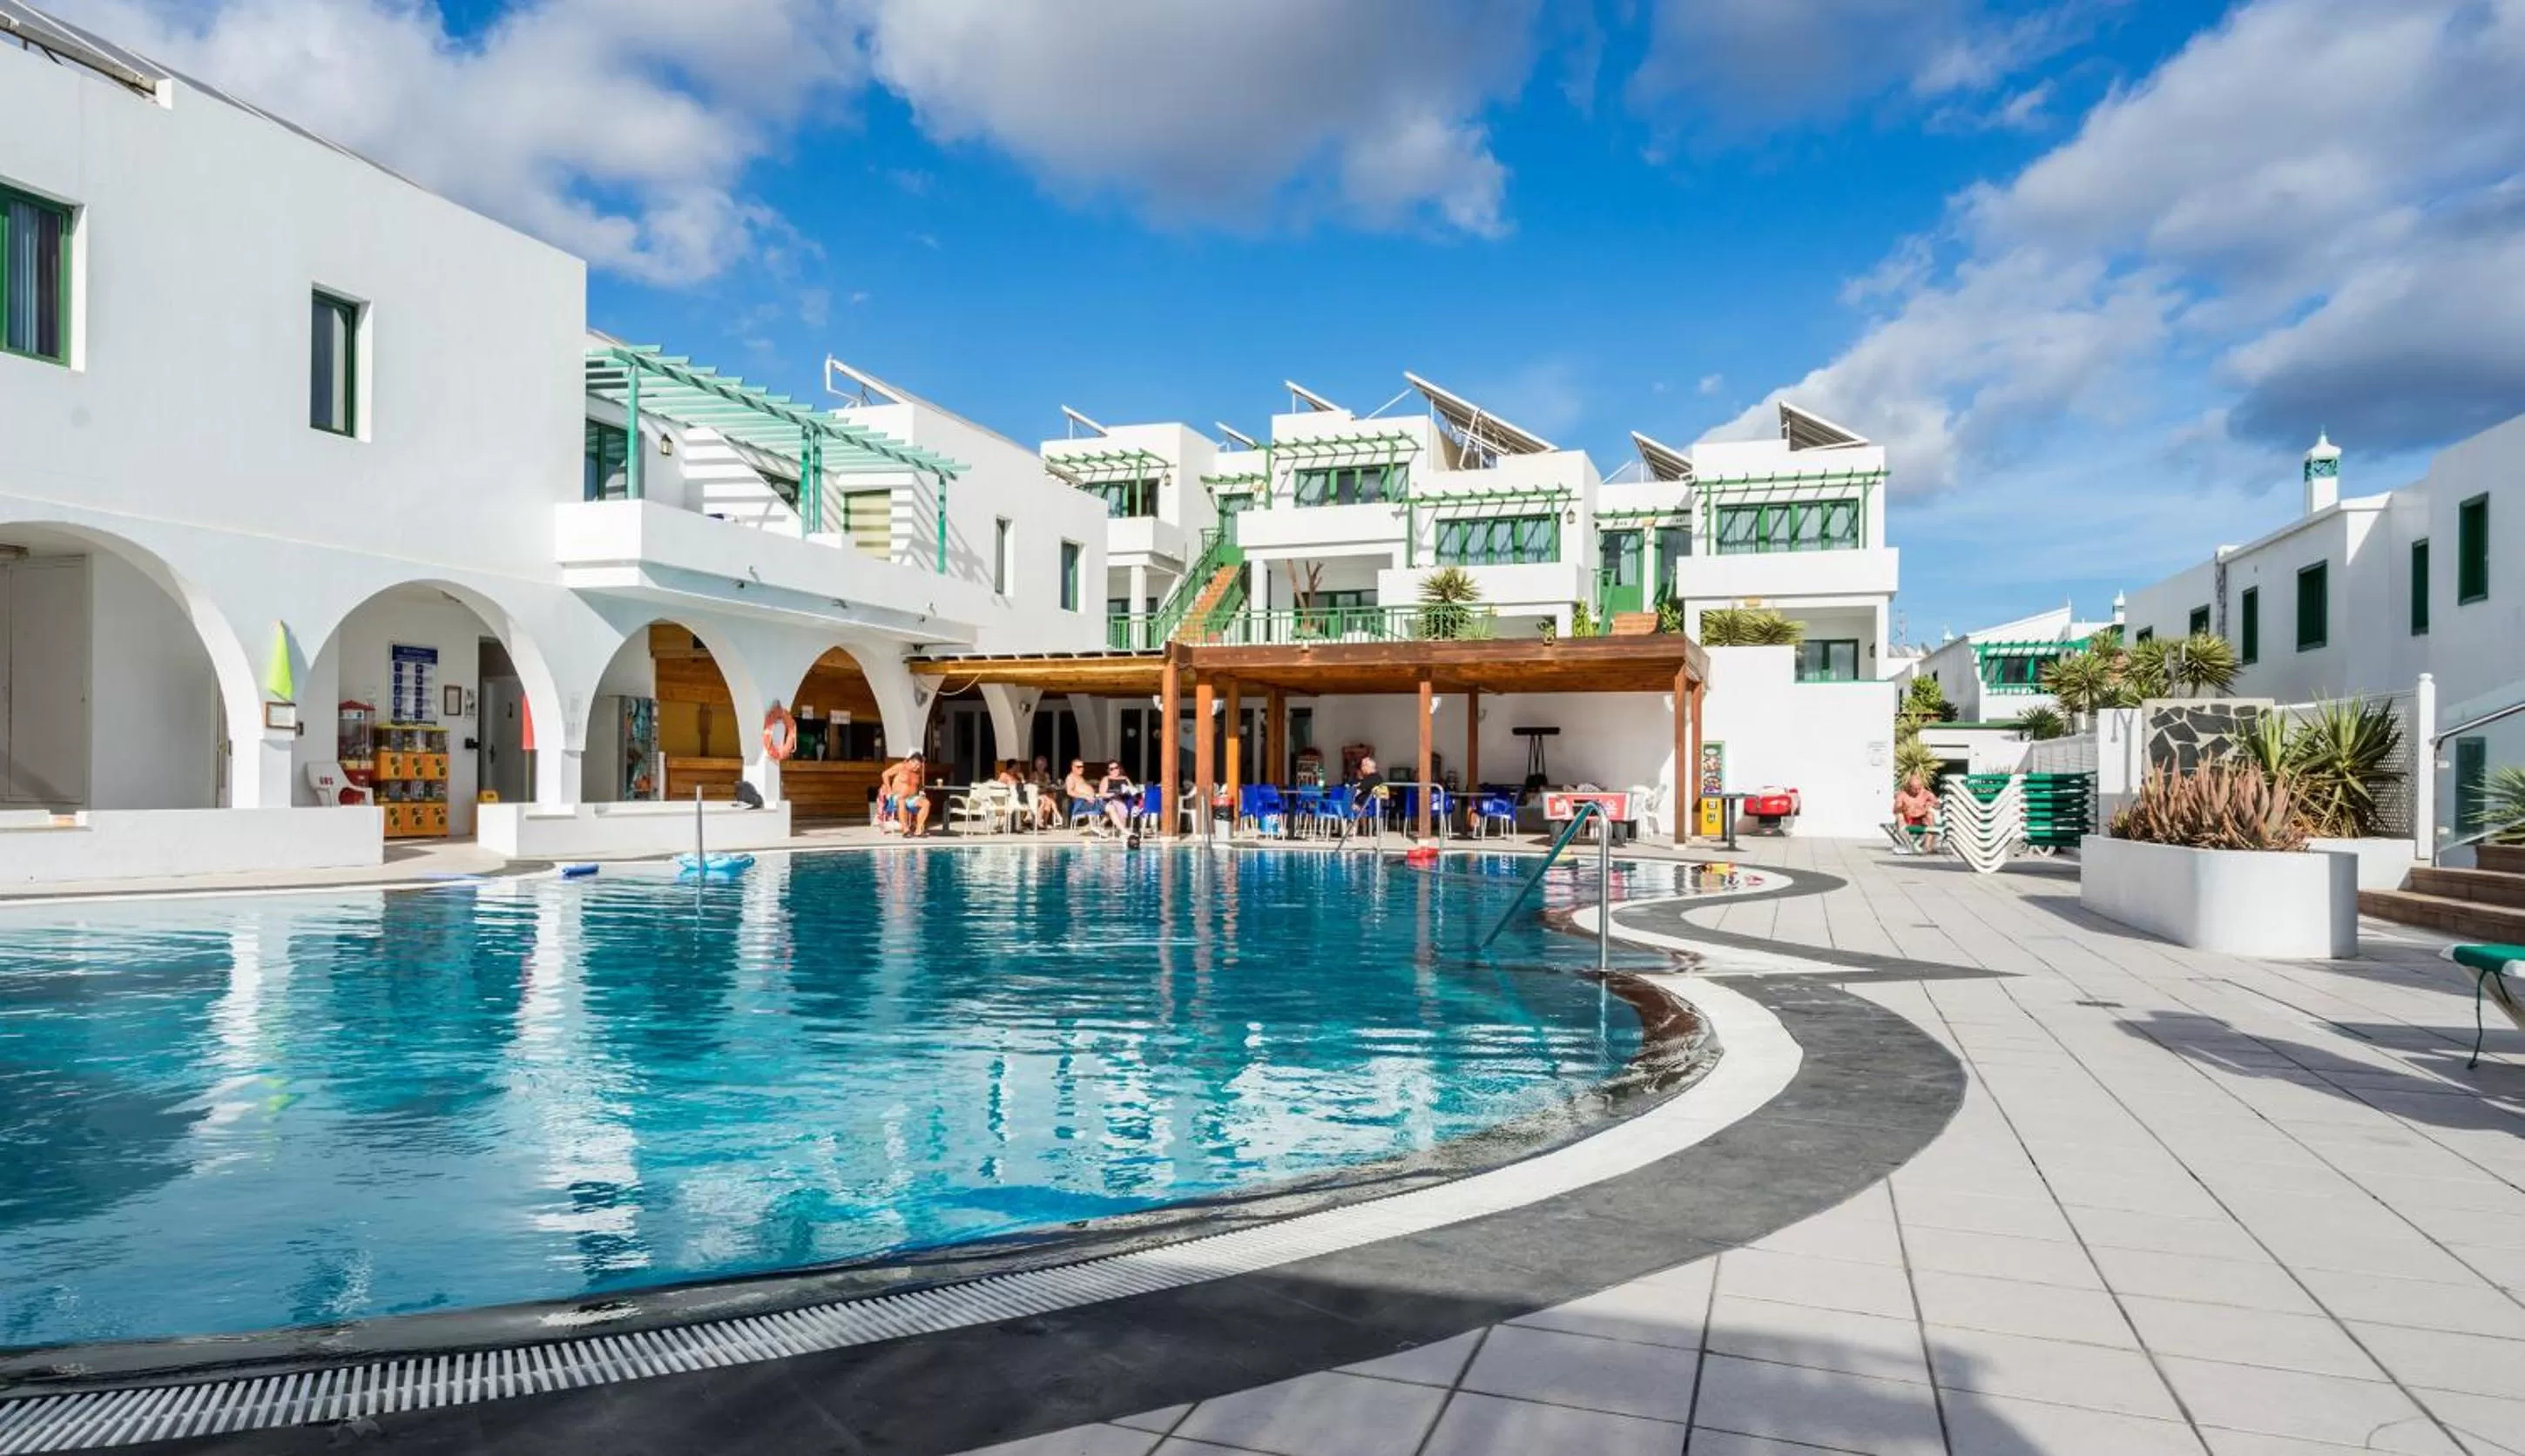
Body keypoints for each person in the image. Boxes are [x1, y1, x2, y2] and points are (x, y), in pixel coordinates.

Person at [882, 752, 933, 837]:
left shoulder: (918, 772)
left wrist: (920, 792)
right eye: (916, 765)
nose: (918, 767)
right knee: (902, 801)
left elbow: (918, 785)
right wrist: (889, 789)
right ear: (911, 761)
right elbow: (885, 774)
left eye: (920, 766)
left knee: (926, 803)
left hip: (911, 798)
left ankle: (918, 830)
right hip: (897, 797)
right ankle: (906, 830)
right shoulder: (901, 767)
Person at [1894, 772, 1939, 853]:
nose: (1917, 791)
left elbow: (1938, 805)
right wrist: (1901, 808)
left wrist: (1931, 805)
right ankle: (1909, 844)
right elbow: (1896, 809)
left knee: (1930, 815)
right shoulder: (1902, 795)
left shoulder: (1926, 794)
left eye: (1919, 788)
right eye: (1914, 789)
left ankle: (1927, 846)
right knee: (1900, 815)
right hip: (1907, 820)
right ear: (1909, 787)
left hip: (1922, 820)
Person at [1097, 759, 1138, 836]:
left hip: (1124, 799)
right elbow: (1101, 794)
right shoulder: (1106, 779)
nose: (1114, 770)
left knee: (1134, 803)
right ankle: (1123, 830)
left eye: (1116, 768)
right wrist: (1113, 794)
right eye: (1111, 769)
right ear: (1108, 770)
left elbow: (1133, 790)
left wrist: (1128, 790)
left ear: (1119, 768)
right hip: (1109, 800)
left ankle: (1120, 829)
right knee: (1119, 804)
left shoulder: (1125, 778)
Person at [1063, 759, 1099, 833]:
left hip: (1089, 800)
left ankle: (1092, 826)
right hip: (1081, 803)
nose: (1081, 768)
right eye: (1079, 767)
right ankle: (1092, 826)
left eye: (1082, 767)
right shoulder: (1070, 777)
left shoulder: (1080, 777)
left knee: (1110, 804)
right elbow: (1069, 792)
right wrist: (1085, 796)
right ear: (1073, 767)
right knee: (1106, 806)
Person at [1028, 755, 1062, 829]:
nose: (1040, 766)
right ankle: (1055, 816)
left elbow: (1048, 786)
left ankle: (1042, 823)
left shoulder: (1047, 775)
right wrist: (1044, 787)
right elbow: (1031, 788)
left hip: (1045, 794)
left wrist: (1051, 787)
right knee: (1047, 799)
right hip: (1035, 795)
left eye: (1042, 764)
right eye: (1039, 764)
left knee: (1048, 800)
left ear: (1045, 765)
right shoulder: (1033, 775)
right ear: (1036, 765)